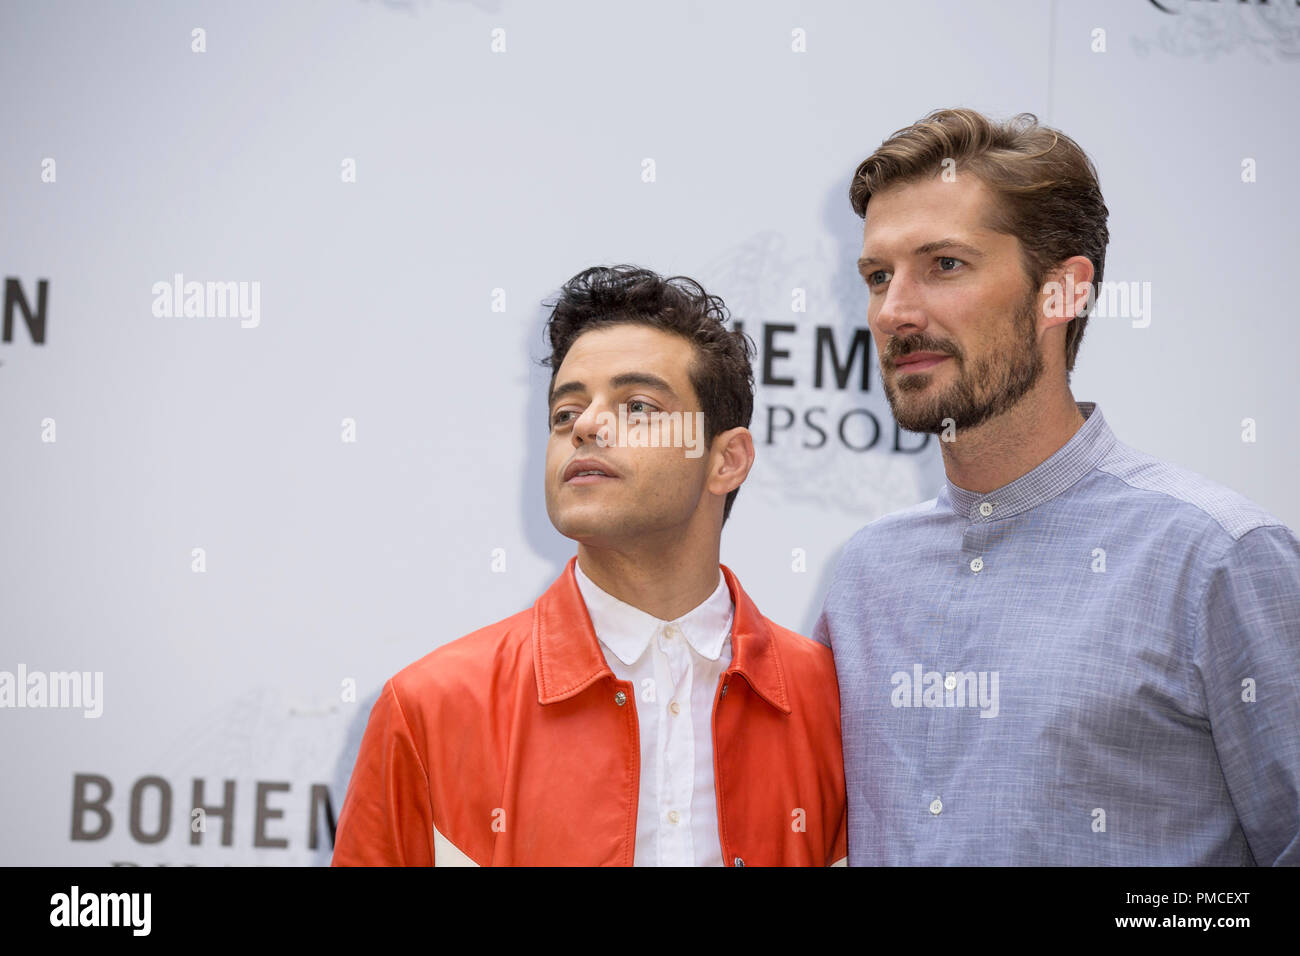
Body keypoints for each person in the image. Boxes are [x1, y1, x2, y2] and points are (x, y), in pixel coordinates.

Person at [816, 107, 1300, 865]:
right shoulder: (864, 577)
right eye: (879, 276)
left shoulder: (1217, 558)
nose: (895, 312)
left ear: (1062, 292)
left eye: (944, 264)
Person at [333, 265, 847, 866]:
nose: (586, 426)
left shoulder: (835, 706)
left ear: (726, 460)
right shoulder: (429, 709)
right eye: (564, 412)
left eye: (636, 405)